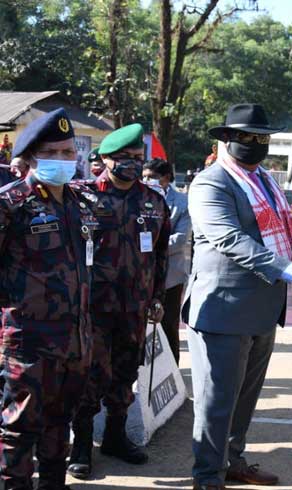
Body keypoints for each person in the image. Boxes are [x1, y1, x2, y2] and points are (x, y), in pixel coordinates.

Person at [183, 103, 292, 490]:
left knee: (245, 399)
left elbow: (276, 229)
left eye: (262, 138)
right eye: (246, 137)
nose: (255, 144)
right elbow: (230, 239)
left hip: (264, 308)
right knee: (216, 402)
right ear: (227, 139)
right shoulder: (211, 182)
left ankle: (233, 461)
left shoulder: (265, 180)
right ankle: (207, 476)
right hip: (223, 309)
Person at [67, 123, 171, 479]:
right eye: (123, 158)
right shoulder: (79, 196)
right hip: (92, 308)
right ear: (105, 160)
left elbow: (160, 256)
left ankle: (115, 436)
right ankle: (81, 444)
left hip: (134, 308)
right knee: (89, 376)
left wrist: (157, 296)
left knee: (126, 375)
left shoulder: (154, 201)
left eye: (137, 158)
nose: (131, 164)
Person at [0, 108, 96, 489]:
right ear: (30, 158)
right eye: (51, 153)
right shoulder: (11, 204)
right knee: (18, 431)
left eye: (68, 153)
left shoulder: (79, 203)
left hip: (75, 341)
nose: (62, 160)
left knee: (60, 428)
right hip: (29, 343)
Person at [143, 158, 192, 364]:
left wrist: (146, 247)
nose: (147, 181)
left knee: (168, 324)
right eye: (144, 176)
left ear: (166, 178)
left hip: (170, 275)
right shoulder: (137, 198)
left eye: (152, 177)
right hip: (140, 273)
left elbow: (180, 239)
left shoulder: (182, 203)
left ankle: (173, 374)